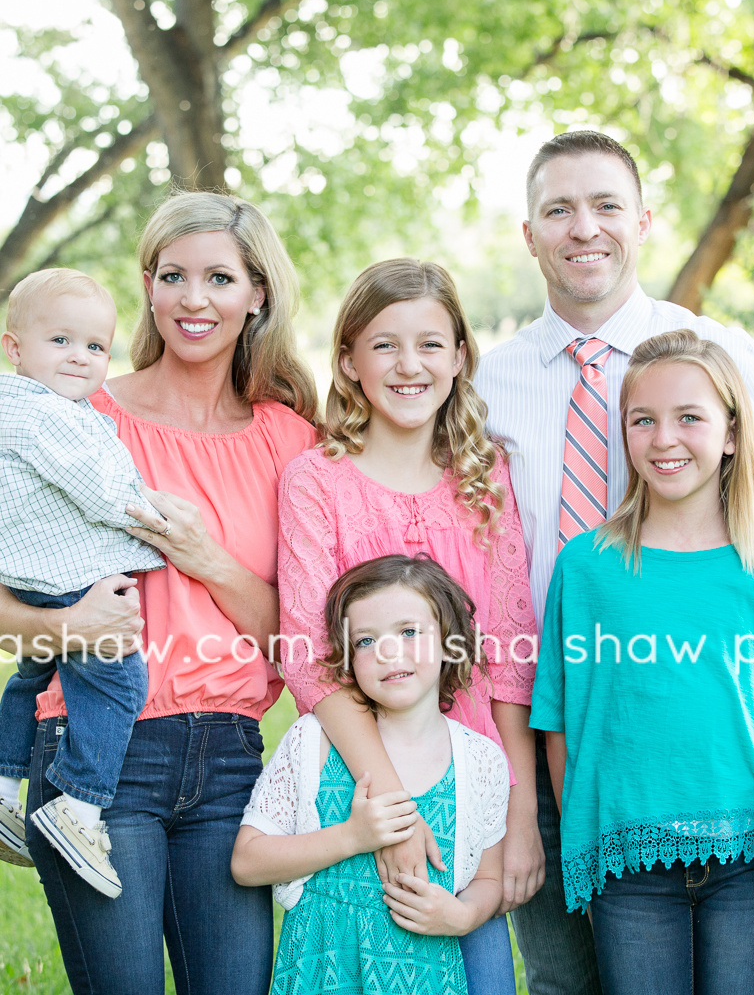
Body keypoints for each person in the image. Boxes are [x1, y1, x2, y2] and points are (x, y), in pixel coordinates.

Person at [473, 130, 754, 994]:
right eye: (560, 210)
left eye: (607, 205)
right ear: (529, 232)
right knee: (566, 982)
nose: (585, 229)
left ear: (644, 220)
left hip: (703, 747)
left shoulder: (709, 354)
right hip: (544, 720)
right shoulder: (487, 384)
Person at [0, 191, 317, 995]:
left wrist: (207, 558)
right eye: (172, 275)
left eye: (218, 277)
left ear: (258, 294)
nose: (193, 298)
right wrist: (65, 623)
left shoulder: (290, 439)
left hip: (231, 760)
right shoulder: (79, 415)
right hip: (95, 755)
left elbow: (304, 637)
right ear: (148, 286)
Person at [277, 257, 538, 994]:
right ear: (349, 361)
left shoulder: (485, 480)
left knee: (479, 973)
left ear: (460, 357)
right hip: (360, 782)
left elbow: (510, 662)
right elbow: (306, 657)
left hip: (472, 785)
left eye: (431, 343)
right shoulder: (316, 481)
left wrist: (516, 819)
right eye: (384, 344)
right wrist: (390, 805)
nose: (409, 364)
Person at [531, 329, 754, 995]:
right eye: (642, 420)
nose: (664, 438)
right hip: (629, 868)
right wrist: (588, 846)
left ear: (731, 433)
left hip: (751, 860)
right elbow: (561, 722)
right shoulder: (588, 567)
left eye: (690, 418)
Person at [233, 554, 509, 995]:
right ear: (348, 658)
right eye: (365, 641)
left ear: (449, 642)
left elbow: (490, 880)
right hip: (322, 972)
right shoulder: (315, 741)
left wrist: (462, 916)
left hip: (425, 976)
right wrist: (352, 837)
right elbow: (247, 862)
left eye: (408, 632)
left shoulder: (480, 761)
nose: (388, 652)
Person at [0, 268, 165, 897]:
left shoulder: (32, 406)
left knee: (32, 674)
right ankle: (82, 805)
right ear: (16, 348)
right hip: (67, 574)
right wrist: (153, 515)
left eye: (96, 347)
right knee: (120, 679)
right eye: (61, 342)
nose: (81, 358)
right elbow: (100, 491)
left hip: (29, 576)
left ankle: (4, 782)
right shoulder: (47, 417)